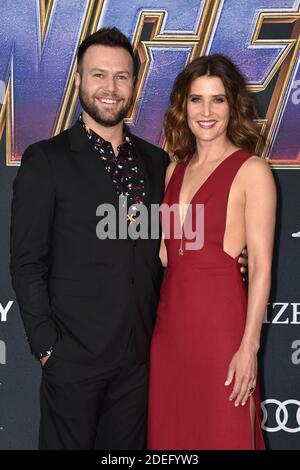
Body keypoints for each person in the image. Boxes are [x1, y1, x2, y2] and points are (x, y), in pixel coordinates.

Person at [10, 27, 247, 450]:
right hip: (73, 359)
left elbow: (173, 243)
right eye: (98, 75)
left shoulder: (158, 163)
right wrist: (48, 347)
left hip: (141, 362)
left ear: (134, 86)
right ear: (79, 81)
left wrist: (228, 259)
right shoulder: (46, 160)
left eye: (121, 77)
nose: (110, 87)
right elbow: (27, 261)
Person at [147, 54, 276, 450]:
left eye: (217, 100)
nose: (206, 112)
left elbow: (262, 269)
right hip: (169, 335)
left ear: (231, 105)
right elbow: (168, 256)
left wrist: (248, 347)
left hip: (222, 333)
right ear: (182, 106)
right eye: (196, 99)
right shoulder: (174, 170)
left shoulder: (252, 170)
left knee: (224, 436)